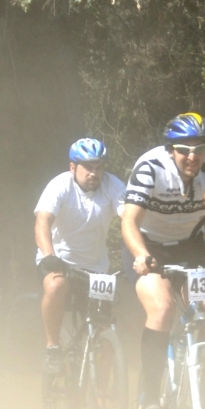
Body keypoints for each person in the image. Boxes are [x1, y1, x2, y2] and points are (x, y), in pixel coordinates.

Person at [120, 113, 205, 409]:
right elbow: (128, 221)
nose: (192, 156)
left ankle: (197, 377)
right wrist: (141, 255)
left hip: (190, 246)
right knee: (162, 307)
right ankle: (149, 397)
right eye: (183, 149)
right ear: (170, 149)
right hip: (148, 247)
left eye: (199, 149)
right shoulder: (151, 168)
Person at [35, 138, 125, 373]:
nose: (95, 172)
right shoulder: (60, 185)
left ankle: (101, 398)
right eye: (88, 167)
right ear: (73, 167)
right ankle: (53, 346)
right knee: (56, 286)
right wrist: (49, 255)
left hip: (96, 267)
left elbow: (129, 219)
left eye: (99, 166)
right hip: (59, 261)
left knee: (105, 332)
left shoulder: (112, 186)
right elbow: (42, 222)